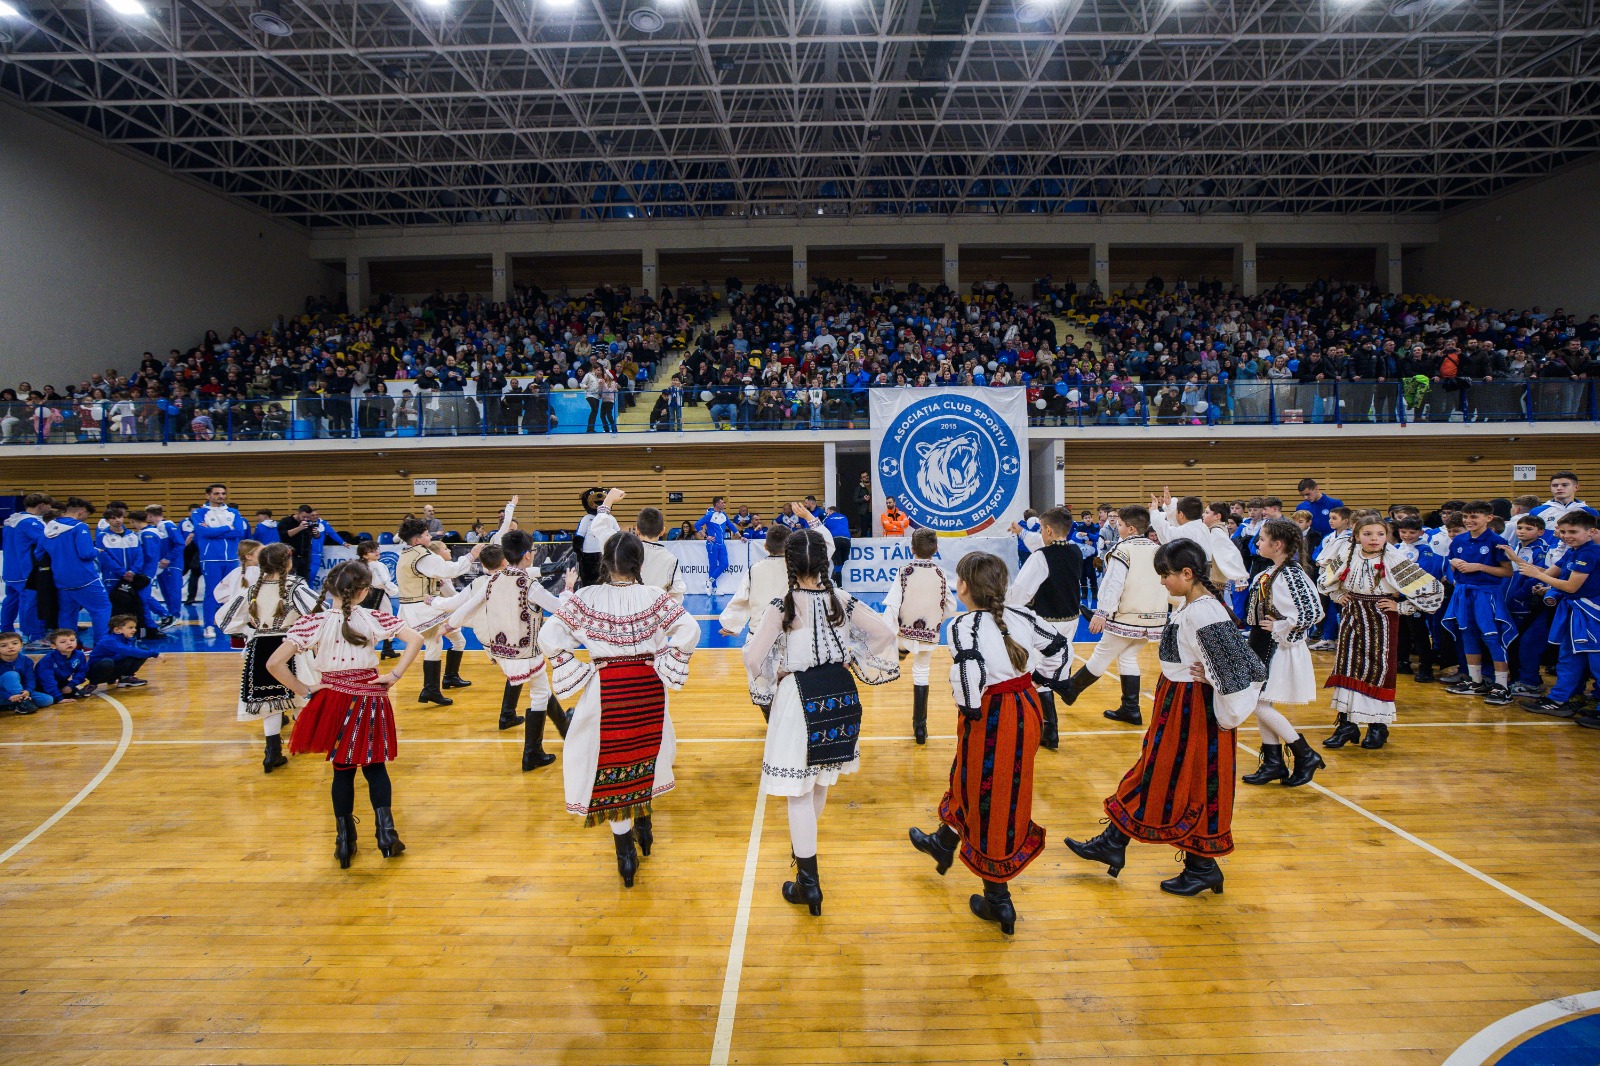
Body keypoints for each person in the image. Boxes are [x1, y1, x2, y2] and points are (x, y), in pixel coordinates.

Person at [1062, 540, 1266, 897]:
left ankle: (1190, 863)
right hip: (1179, 702)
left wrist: (1216, 682)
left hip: (1193, 710)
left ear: (1187, 574)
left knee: (1179, 778)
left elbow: (1244, 668)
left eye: (1165, 575)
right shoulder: (1195, 606)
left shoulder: (1205, 612)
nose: (1162, 583)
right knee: (1169, 776)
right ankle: (1138, 848)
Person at [906, 552, 1071, 935]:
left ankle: (998, 899)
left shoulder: (963, 626)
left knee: (991, 796)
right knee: (977, 782)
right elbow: (1059, 648)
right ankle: (943, 843)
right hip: (1027, 707)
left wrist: (971, 708)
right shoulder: (1024, 616)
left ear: (963, 587)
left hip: (993, 713)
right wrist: (1046, 682)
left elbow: (968, 674)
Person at [743, 529, 899, 916]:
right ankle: (804, 857)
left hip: (802, 696)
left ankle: (809, 884)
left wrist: (775, 671)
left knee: (798, 790)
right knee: (821, 779)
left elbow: (752, 658)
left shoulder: (784, 605)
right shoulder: (840, 598)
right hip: (841, 693)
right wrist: (852, 656)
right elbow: (883, 633)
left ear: (789, 564)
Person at [539, 530, 701, 888]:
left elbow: (548, 636)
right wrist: (667, 660)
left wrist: (572, 667)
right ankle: (644, 823)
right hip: (647, 686)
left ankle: (625, 854)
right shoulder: (654, 595)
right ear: (638, 562)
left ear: (605, 564)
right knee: (647, 753)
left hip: (607, 686)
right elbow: (688, 628)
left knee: (609, 763)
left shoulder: (586, 597)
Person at [272, 561, 428, 869]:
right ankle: (386, 836)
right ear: (363, 592)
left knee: (341, 770)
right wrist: (393, 675)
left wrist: (305, 690)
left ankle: (344, 842)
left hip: (332, 700)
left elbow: (274, 664)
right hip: (369, 698)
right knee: (375, 766)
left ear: (330, 588)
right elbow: (417, 640)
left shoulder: (311, 623)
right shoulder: (373, 617)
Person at [441, 530, 577, 766]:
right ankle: (533, 752)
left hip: (502, 652)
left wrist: (450, 624)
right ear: (526, 556)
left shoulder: (492, 580)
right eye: (533, 551)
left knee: (541, 692)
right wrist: (568, 587)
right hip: (526, 653)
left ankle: (548, 739)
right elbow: (558, 608)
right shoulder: (528, 584)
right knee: (540, 694)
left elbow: (467, 607)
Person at [1320, 514, 1446, 750]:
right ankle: (1347, 724)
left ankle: (1378, 725)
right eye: (1368, 534)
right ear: (1357, 536)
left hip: (1380, 618)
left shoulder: (1394, 559)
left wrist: (1401, 607)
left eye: (1380, 534)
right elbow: (1326, 579)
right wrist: (1338, 595)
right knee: (1348, 666)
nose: (1374, 539)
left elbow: (1432, 590)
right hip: (1352, 614)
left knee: (1377, 669)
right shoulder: (1347, 553)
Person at [1057, 505, 1165, 727]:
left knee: (1101, 654)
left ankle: (1070, 690)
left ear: (1131, 528)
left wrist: (1102, 613)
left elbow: (1113, 584)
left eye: (1122, 524)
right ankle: (1131, 709)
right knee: (1127, 657)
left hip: (1127, 615)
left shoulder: (1122, 550)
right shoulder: (1158, 550)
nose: (1119, 527)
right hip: (1155, 618)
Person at [1239, 519, 1327, 787]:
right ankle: (1273, 763)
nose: (1258, 543)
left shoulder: (1290, 574)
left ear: (1277, 545)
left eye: (1262, 539)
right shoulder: (1274, 571)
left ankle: (1304, 752)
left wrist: (1279, 625)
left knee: (1257, 702)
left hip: (1277, 646)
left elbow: (1312, 611)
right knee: (1262, 701)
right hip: (1263, 642)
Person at [220, 542, 319, 775]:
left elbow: (225, 621)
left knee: (271, 702)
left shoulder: (253, 588)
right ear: (287, 562)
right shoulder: (294, 586)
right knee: (303, 693)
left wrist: (250, 630)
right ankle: (306, 740)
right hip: (289, 646)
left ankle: (272, 752)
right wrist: (306, 635)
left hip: (261, 647)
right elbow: (319, 612)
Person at [1511, 511, 1600, 719]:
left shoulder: (1590, 553)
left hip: (1592, 614)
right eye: (1563, 531)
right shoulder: (1573, 551)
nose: (1567, 535)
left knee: (1596, 660)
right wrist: (1539, 580)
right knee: (1568, 657)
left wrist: (1539, 576)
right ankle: (1560, 699)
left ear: (1591, 532)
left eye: (1573, 531)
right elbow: (1551, 572)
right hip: (1574, 612)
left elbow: (1570, 586)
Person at [1007, 507, 1082, 749]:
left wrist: (1003, 607)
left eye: (1041, 529)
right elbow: (1042, 544)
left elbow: (1020, 593)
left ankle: (1049, 728)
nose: (1040, 533)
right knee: (1054, 666)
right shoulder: (1075, 551)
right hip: (1071, 619)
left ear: (1048, 530)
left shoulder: (1041, 557)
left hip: (1047, 623)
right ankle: (1064, 686)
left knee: (1038, 671)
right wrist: (1022, 533)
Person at [394, 516, 483, 705]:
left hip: (413, 605)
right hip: (421, 607)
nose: (430, 536)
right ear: (417, 539)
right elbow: (451, 570)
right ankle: (431, 688)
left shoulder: (406, 553)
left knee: (447, 639)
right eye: (426, 534)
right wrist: (472, 554)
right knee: (438, 639)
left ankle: (441, 682)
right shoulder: (422, 555)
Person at [881, 528, 956, 744]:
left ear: (911, 548)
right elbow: (950, 607)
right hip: (929, 635)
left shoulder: (904, 571)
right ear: (936, 549)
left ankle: (901, 650)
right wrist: (936, 619)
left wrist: (888, 632)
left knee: (902, 646)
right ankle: (920, 727)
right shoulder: (940, 573)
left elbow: (893, 604)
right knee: (922, 672)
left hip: (905, 630)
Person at [1442, 500, 1517, 705]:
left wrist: (1480, 567)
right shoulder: (1459, 540)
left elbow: (1507, 571)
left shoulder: (1496, 541)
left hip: (1487, 594)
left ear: (1488, 518)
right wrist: (1455, 567)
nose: (1469, 521)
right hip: (1463, 592)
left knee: (1492, 637)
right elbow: (1451, 569)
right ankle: (1475, 681)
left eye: (1474, 517)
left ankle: (1502, 685)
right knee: (1468, 635)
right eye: (1466, 517)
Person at [43, 497, 112, 642]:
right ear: (81, 512)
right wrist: (97, 551)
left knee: (67, 612)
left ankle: (66, 644)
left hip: (60, 577)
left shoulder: (49, 527)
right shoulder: (79, 527)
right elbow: (86, 553)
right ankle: (102, 643)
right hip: (83, 576)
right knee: (101, 608)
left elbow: (39, 553)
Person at [1503, 514, 1554, 697]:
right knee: (1513, 643)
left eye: (1528, 529)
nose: (1522, 532)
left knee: (1526, 643)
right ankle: (1519, 678)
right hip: (1511, 604)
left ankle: (1530, 680)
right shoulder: (1515, 547)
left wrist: (1520, 596)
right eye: (1520, 528)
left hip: (1526, 605)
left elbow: (1535, 576)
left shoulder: (1540, 550)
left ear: (1541, 532)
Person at [189, 484, 249, 639]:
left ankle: (230, 624)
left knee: (232, 592)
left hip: (231, 558)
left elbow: (238, 532)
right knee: (212, 592)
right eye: (216, 494)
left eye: (223, 493)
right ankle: (209, 625)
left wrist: (214, 530)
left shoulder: (233, 512)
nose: (221, 496)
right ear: (208, 496)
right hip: (211, 558)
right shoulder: (199, 512)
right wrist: (227, 528)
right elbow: (202, 532)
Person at [2, 493, 52, 645]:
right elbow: (47, 540)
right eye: (49, 505)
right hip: (26, 570)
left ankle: (6, 631)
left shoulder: (12, 520)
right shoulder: (30, 523)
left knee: (11, 601)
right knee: (29, 603)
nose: (50, 508)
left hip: (11, 569)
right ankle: (33, 636)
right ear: (41, 505)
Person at [355, 540, 402, 660]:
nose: (376, 552)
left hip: (365, 594)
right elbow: (382, 582)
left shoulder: (361, 565)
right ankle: (386, 648)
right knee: (387, 619)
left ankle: (384, 648)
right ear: (365, 555)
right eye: (372, 551)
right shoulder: (376, 565)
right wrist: (394, 590)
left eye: (376, 549)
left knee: (366, 619)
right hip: (377, 594)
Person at [86, 614, 161, 688]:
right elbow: (128, 651)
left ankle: (126, 678)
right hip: (95, 671)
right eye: (130, 628)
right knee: (107, 662)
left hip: (111, 668)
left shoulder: (126, 639)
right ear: (117, 630)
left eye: (134, 627)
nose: (134, 630)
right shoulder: (109, 640)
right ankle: (92, 684)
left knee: (142, 652)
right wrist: (154, 654)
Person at [145, 506, 186, 625]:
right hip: (161, 565)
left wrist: (168, 558)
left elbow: (180, 543)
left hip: (172, 564)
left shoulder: (168, 526)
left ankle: (176, 616)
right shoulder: (156, 528)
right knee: (166, 591)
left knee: (173, 590)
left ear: (150, 515)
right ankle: (171, 616)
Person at [0, 630, 53, 714]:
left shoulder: (26, 660)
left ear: (21, 644)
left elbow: (30, 679)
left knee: (47, 700)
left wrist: (28, 691)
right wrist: (8, 696)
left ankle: (15, 703)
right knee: (11, 675)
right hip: (2, 692)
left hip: (21, 691)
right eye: (3, 645)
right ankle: (20, 703)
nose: (10, 647)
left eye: (14, 643)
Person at [37, 628, 92, 703]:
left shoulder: (79, 655)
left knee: (73, 693)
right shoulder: (48, 660)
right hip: (41, 684)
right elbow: (47, 680)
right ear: (53, 646)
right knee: (50, 699)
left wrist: (71, 685)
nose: (69, 643)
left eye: (72, 640)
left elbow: (82, 671)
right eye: (63, 642)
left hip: (61, 681)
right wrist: (58, 698)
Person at [695, 496, 732, 593]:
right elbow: (697, 525)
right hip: (712, 544)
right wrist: (705, 536)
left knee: (724, 564)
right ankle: (714, 589)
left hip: (722, 544)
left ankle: (709, 582)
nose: (724, 504)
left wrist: (740, 536)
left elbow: (731, 525)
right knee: (713, 565)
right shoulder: (709, 515)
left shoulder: (723, 515)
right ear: (717, 504)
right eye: (722, 503)